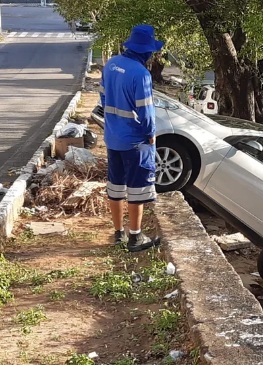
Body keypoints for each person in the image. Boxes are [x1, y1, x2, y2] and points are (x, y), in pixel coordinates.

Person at [100, 24, 163, 252]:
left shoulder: (111, 64)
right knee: (137, 188)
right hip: (135, 140)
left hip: (112, 137)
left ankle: (118, 233)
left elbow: (103, 98)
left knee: (115, 186)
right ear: (146, 51)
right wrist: (150, 135)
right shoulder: (141, 74)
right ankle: (135, 237)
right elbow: (146, 111)